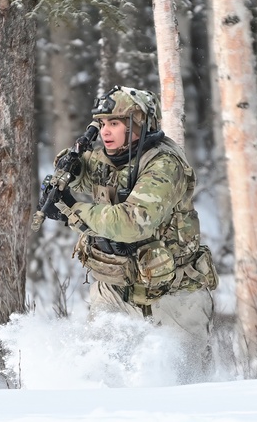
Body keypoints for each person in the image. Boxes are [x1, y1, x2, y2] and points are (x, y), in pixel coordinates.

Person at [42, 86, 218, 381]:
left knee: (187, 389)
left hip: (173, 296)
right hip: (114, 289)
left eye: (114, 123)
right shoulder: (113, 156)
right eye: (102, 124)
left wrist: (71, 210)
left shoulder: (164, 164)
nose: (105, 132)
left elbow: (133, 222)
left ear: (138, 123)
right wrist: (67, 170)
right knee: (101, 380)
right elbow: (89, 170)